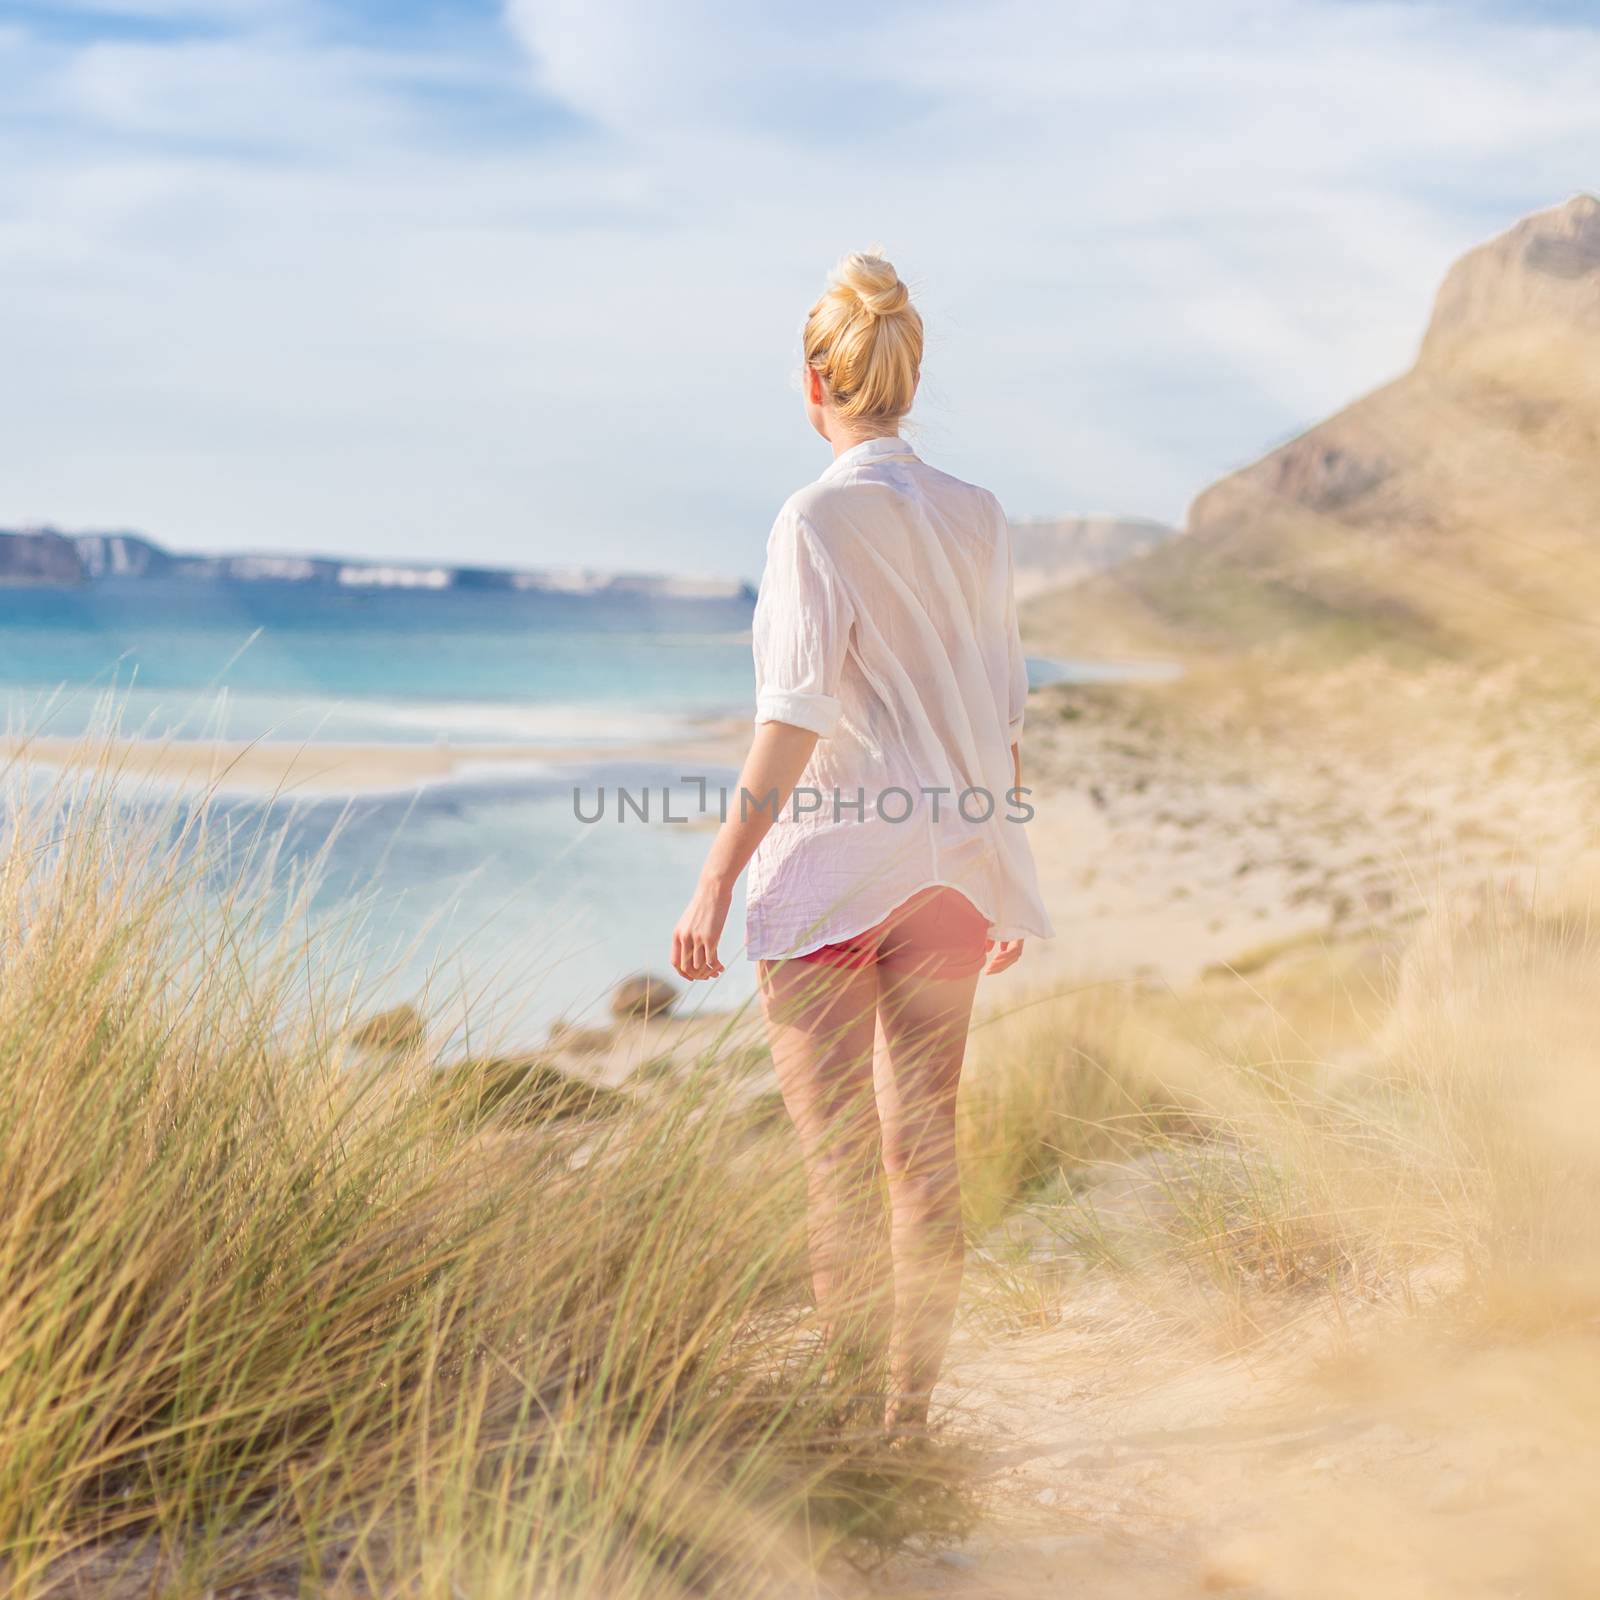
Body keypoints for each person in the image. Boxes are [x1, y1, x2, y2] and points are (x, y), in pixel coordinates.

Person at [671, 248, 1053, 1435]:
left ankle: (846, 1440)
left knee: (838, 1166)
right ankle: (908, 1419)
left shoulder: (811, 518)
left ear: (812, 383)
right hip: (946, 867)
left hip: (838, 868)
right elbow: (1000, 711)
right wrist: (994, 866)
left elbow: (791, 717)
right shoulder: (980, 516)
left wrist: (714, 881)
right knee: (922, 1154)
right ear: (910, 373)